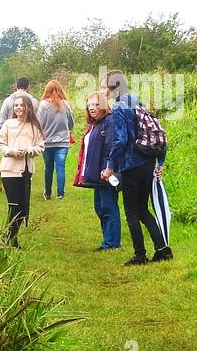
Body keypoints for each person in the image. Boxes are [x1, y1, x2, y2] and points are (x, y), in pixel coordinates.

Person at [100, 70, 172, 266]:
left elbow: (120, 141)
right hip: (148, 162)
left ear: (112, 88)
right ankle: (162, 250)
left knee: (131, 211)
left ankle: (140, 255)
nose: (102, 91)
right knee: (143, 209)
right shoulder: (136, 102)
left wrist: (109, 167)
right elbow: (157, 133)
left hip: (131, 165)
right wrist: (161, 163)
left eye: (103, 86)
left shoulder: (119, 108)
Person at [0, 94, 45, 247]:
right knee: (14, 205)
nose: (18, 108)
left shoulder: (34, 126)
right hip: (9, 171)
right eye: (16, 105)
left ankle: (11, 238)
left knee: (23, 208)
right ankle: (10, 239)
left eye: (22, 105)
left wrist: (29, 150)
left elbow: (41, 147)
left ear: (28, 107)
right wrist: (13, 151)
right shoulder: (8, 124)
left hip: (26, 171)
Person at [73, 91, 121, 250]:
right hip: (96, 174)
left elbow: (112, 146)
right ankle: (108, 239)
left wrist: (109, 168)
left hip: (106, 174)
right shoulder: (95, 124)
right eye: (89, 104)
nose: (92, 108)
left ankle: (112, 243)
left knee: (109, 207)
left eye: (95, 104)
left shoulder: (109, 121)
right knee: (100, 208)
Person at [37, 79, 75, 200]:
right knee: (60, 167)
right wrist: (68, 131)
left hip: (47, 142)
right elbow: (71, 123)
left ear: (46, 91)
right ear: (60, 90)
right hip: (63, 142)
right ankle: (60, 194)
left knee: (48, 167)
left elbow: (39, 123)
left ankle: (47, 193)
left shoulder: (43, 105)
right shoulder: (66, 105)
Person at [0, 77, 39, 148]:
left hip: (10, 135)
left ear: (16, 86)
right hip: (28, 136)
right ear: (28, 87)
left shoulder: (8, 100)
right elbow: (37, 121)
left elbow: (2, 119)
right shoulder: (34, 102)